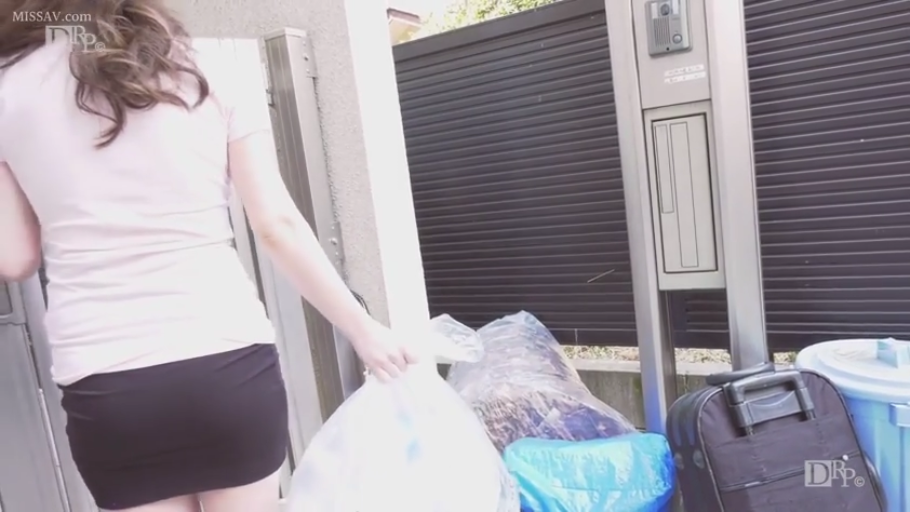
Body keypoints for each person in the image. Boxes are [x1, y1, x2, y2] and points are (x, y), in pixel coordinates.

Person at [0, 1, 419, 511]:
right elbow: (277, 224)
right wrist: (363, 330)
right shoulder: (202, 69)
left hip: (106, 381)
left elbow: (15, 258)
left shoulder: (9, 88)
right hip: (227, 366)